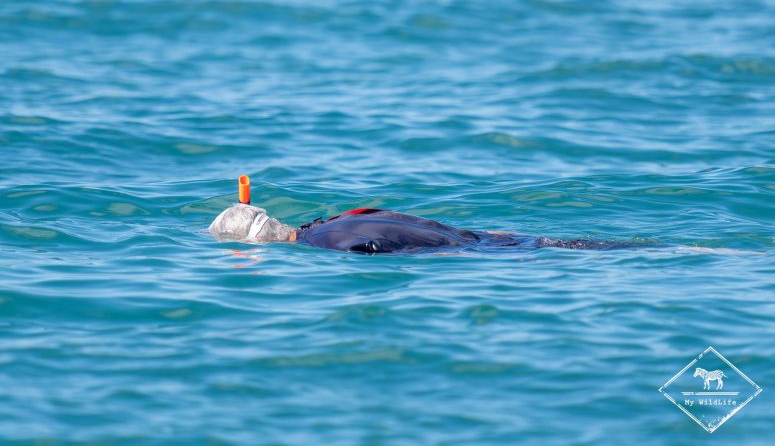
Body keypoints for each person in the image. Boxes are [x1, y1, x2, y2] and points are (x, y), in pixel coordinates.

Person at [208, 204, 647, 253]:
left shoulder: (328, 243)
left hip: (482, 253)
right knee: (594, 247)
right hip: (487, 236)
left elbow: (372, 247)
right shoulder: (340, 220)